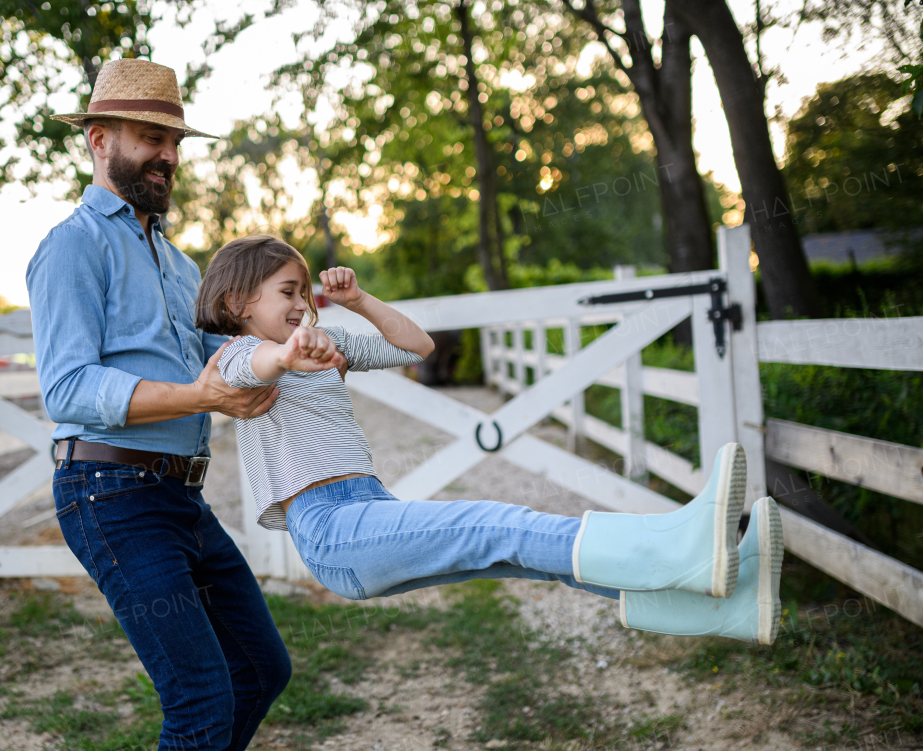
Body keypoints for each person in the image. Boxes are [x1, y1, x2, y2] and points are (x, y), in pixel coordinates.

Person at [195, 235, 784, 649]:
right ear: (237, 304)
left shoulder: (328, 347)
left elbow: (415, 347)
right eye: (287, 293)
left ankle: (711, 603)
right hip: (330, 531)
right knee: (498, 523)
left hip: (368, 513)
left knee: (520, 553)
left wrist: (358, 304)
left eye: (305, 293)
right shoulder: (241, 353)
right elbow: (264, 363)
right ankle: (675, 545)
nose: (302, 305)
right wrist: (294, 350)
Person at [27, 60, 302, 751]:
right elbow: (71, 387)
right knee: (198, 696)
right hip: (108, 491)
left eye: (174, 141)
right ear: (97, 139)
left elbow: (221, 354)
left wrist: (290, 351)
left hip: (179, 496)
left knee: (261, 667)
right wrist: (205, 396)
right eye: (152, 138)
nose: (170, 155)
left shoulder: (176, 260)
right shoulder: (71, 248)